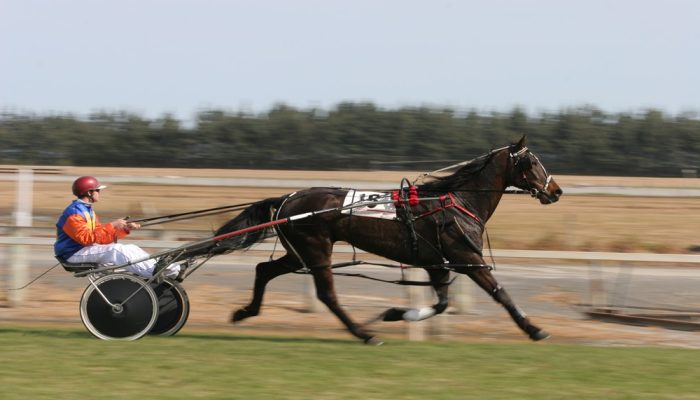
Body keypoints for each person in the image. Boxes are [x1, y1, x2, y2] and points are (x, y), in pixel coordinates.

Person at [54, 176, 181, 279]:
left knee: (131, 247)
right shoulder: (74, 212)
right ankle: (154, 273)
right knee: (117, 250)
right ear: (89, 192)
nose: (99, 193)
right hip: (72, 254)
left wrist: (125, 229)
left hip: (84, 249)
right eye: (97, 190)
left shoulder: (87, 210)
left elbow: (100, 238)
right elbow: (86, 238)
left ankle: (171, 269)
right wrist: (112, 224)